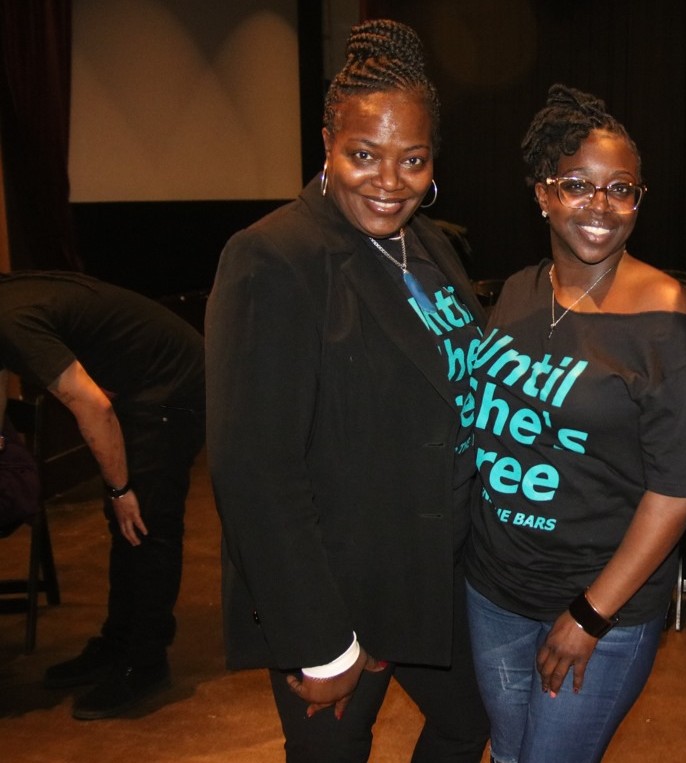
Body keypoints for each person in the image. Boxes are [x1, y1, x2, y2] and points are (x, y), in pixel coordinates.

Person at [204, 19, 489, 763]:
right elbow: (253, 468)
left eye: (412, 160)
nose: (389, 182)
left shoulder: (431, 245)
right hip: (342, 589)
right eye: (364, 155)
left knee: (466, 724)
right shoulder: (275, 257)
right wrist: (321, 644)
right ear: (326, 145)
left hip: (433, 568)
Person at [464, 84, 686, 763]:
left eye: (621, 189)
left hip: (596, 602)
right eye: (577, 185)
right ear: (542, 193)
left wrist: (589, 613)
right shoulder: (517, 291)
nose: (600, 207)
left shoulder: (667, 318)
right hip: (493, 589)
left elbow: (678, 488)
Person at [0, 270, 205, 720]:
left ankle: (145, 661)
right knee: (124, 523)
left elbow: (92, 404)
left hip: (172, 385)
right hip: (142, 383)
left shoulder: (10, 318)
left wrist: (120, 488)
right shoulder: (7, 304)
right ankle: (117, 643)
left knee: (146, 522)